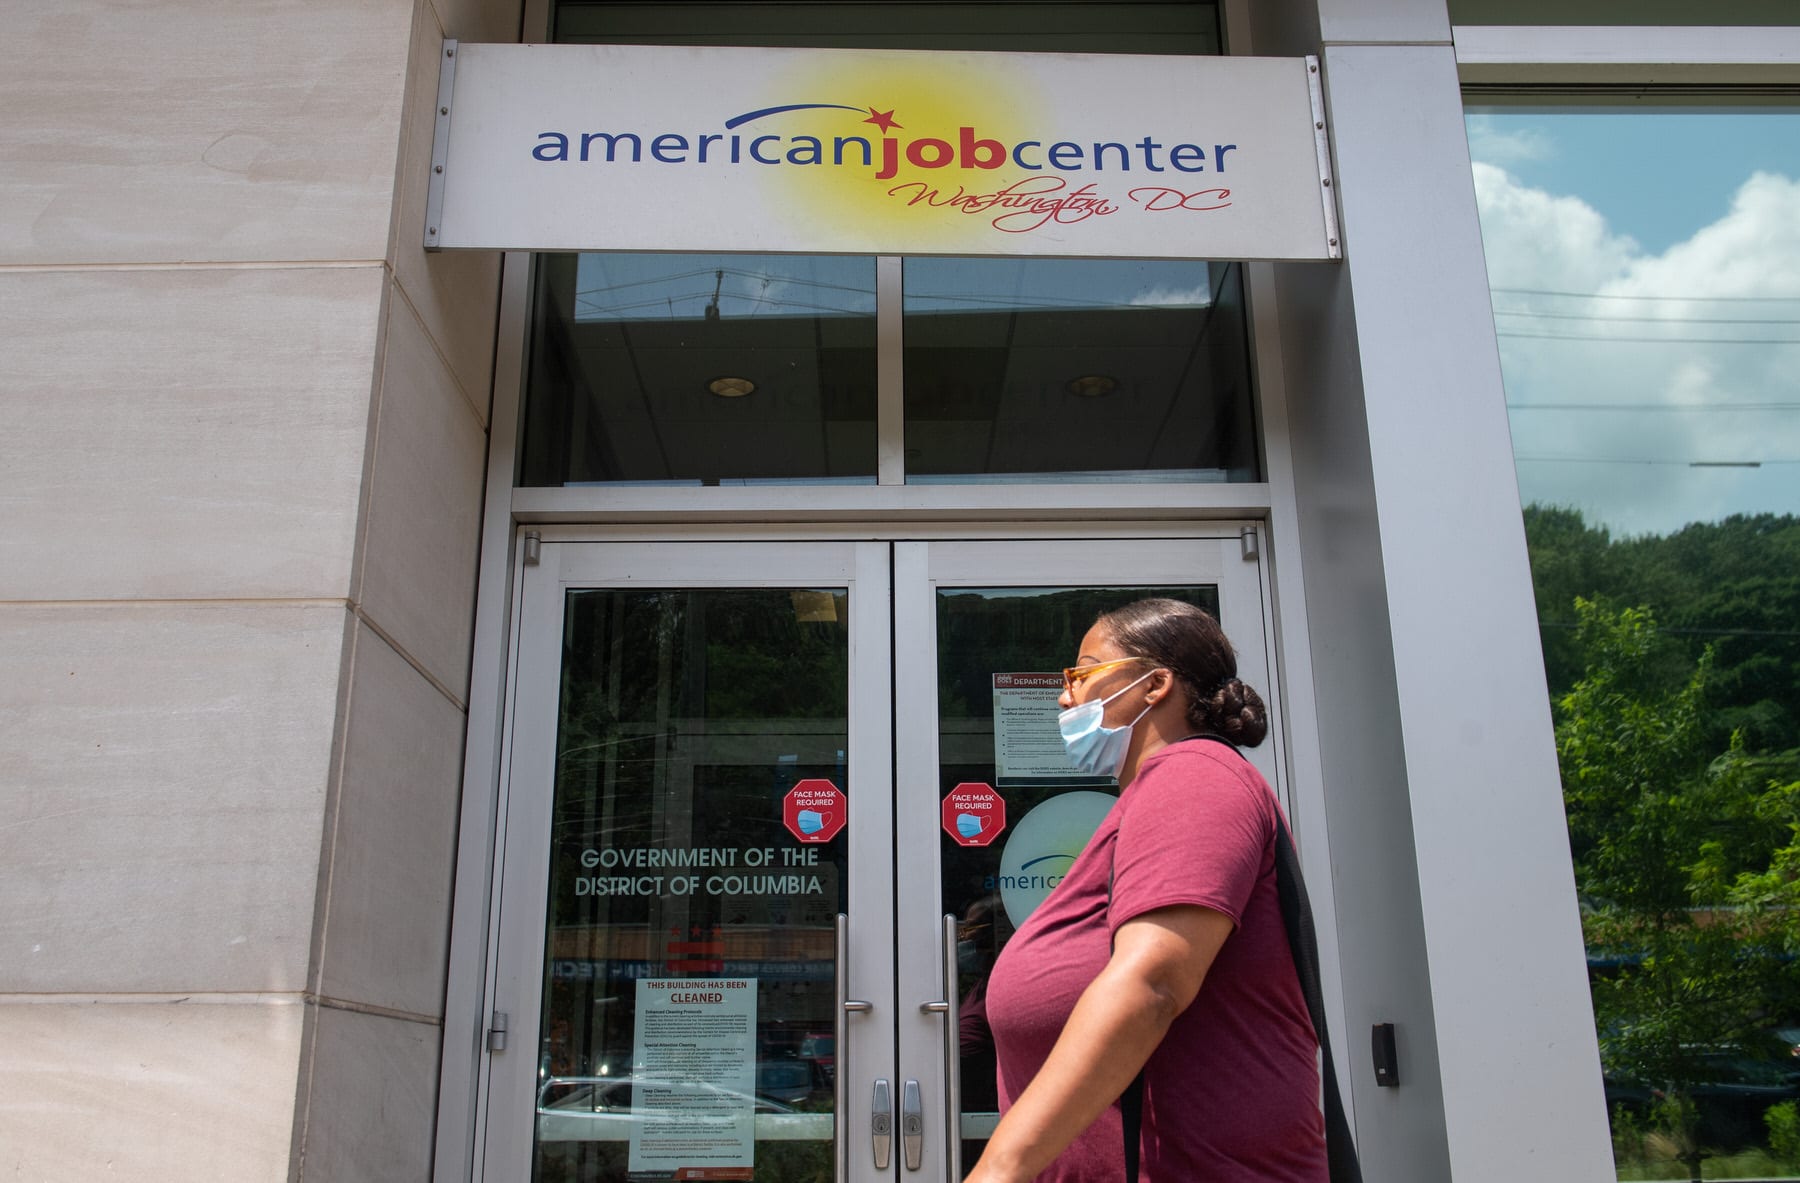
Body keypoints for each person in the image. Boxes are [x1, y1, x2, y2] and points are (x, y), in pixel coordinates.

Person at [967, 598, 1327, 1183]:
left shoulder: (1193, 775)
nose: (1064, 697)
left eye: (1081, 674)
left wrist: (998, 1171)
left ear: (1155, 684)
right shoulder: (1154, 794)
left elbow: (1153, 981)